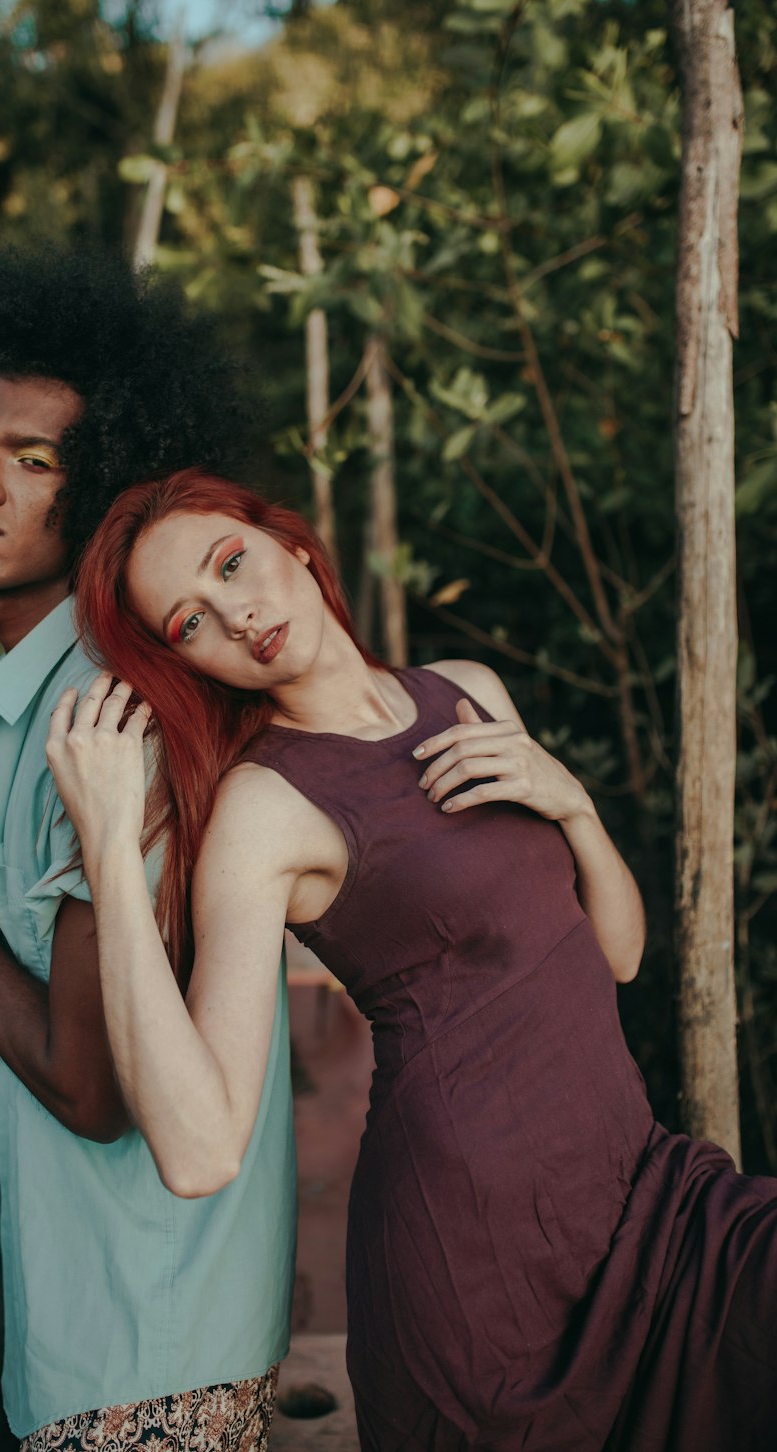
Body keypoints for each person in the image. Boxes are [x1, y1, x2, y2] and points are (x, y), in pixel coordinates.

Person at [44, 467, 777, 1452]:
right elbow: (199, 1149)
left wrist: (571, 802)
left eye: (233, 564)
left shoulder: (466, 692)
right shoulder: (263, 813)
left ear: (292, 544)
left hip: (643, 1199)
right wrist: (108, 852)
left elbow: (618, 953)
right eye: (190, 623)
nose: (236, 612)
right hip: (479, 1279)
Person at [0, 255, 296, 1451]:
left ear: (101, 496)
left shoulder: (106, 718)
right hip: (99, 1314)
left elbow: (94, 1090)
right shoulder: (25, 702)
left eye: (38, 464)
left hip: (149, 1341)